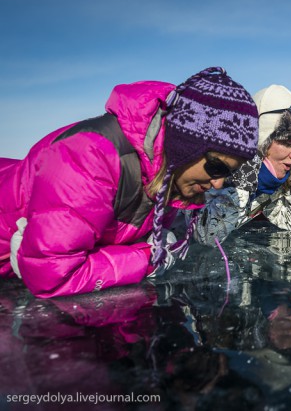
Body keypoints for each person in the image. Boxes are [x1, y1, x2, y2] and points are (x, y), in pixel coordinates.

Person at [0, 66, 259, 298]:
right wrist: (147, 258)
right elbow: (53, 278)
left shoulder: (171, 180)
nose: (218, 184)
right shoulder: (90, 156)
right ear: (185, 146)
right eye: (216, 167)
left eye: (229, 173)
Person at [191, 84, 291, 245]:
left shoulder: (273, 180)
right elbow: (206, 237)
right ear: (261, 140)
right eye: (288, 142)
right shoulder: (219, 171)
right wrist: (242, 190)